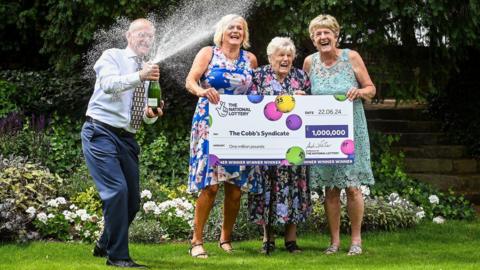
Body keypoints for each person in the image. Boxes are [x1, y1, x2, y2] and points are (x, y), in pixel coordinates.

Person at [81, 18, 163, 268]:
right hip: (100, 131)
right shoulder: (112, 56)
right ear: (129, 36)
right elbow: (108, 85)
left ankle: (105, 242)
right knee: (116, 191)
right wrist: (140, 75)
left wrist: (151, 116)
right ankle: (117, 257)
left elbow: (143, 113)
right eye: (141, 34)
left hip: (127, 138)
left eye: (150, 36)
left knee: (132, 200)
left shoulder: (149, 69)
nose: (146, 39)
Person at [185, 14, 260, 259]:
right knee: (210, 186)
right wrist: (203, 91)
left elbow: (257, 93)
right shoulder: (208, 53)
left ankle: (225, 238)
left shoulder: (250, 59)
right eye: (231, 27)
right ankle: (197, 241)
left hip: (240, 125)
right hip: (209, 123)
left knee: (236, 188)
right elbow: (191, 81)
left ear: (244, 34)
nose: (236, 31)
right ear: (222, 31)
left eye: (240, 28)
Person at [303, 14, 376, 256]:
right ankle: (334, 242)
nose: (323, 37)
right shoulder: (309, 63)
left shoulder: (351, 57)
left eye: (327, 33)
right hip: (322, 133)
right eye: (318, 34)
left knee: (353, 187)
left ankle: (356, 241)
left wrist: (359, 91)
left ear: (336, 35)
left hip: (351, 130)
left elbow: (371, 89)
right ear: (313, 39)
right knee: (330, 189)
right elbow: (304, 95)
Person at [247, 37, 312, 253]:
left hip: (294, 146)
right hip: (266, 143)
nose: (285, 59)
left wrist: (304, 101)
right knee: (267, 188)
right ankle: (268, 238)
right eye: (280, 55)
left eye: (289, 55)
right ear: (270, 57)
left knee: (294, 188)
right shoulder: (258, 76)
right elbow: (251, 105)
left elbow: (312, 110)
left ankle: (291, 240)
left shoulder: (301, 77)